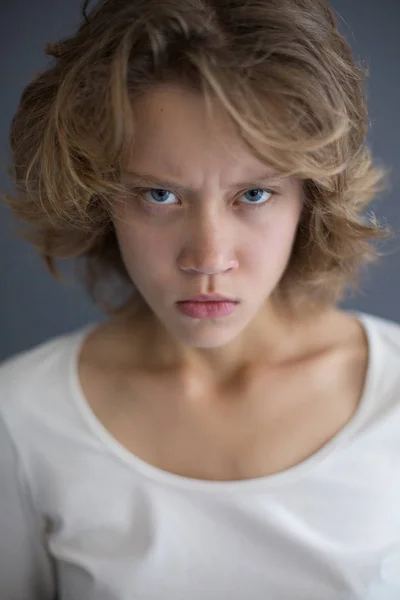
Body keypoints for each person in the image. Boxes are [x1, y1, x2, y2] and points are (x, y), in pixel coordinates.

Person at [1, 0, 399, 598]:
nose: (209, 257)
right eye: (160, 194)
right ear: (99, 196)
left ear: (311, 200)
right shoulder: (19, 418)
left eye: (256, 194)